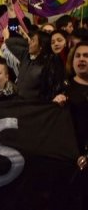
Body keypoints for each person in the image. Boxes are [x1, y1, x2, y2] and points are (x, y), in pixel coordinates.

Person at [52, 41, 88, 208]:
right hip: (68, 160)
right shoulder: (63, 87)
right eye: (78, 56)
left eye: (86, 56)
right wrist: (54, 104)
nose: (81, 59)